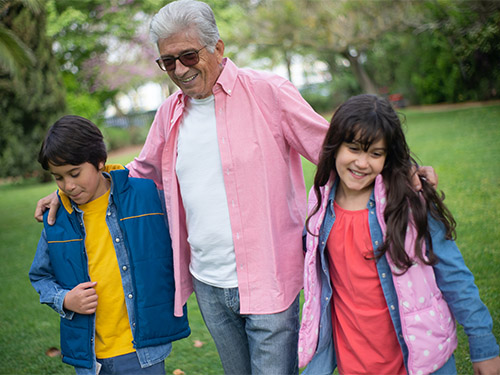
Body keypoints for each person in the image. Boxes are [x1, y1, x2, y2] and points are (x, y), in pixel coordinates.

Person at [34, 1, 437, 373]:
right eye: (167, 61)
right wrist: (70, 189)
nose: (179, 69)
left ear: (218, 48)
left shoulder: (269, 92)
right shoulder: (169, 114)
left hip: (270, 279)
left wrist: (404, 171)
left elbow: (331, 149)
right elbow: (140, 173)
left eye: (188, 56)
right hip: (208, 285)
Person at [298, 94, 500, 375]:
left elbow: (454, 275)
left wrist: (483, 345)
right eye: (353, 149)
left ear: (388, 156)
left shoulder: (409, 201)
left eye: (375, 153)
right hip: (355, 364)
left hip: (421, 363)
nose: (362, 163)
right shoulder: (320, 201)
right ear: (335, 146)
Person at [29, 115, 190, 375]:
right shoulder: (56, 220)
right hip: (90, 360)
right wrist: (65, 299)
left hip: (142, 351)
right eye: (58, 178)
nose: (68, 186)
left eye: (75, 173)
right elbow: (40, 276)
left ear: (99, 162)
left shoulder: (147, 197)